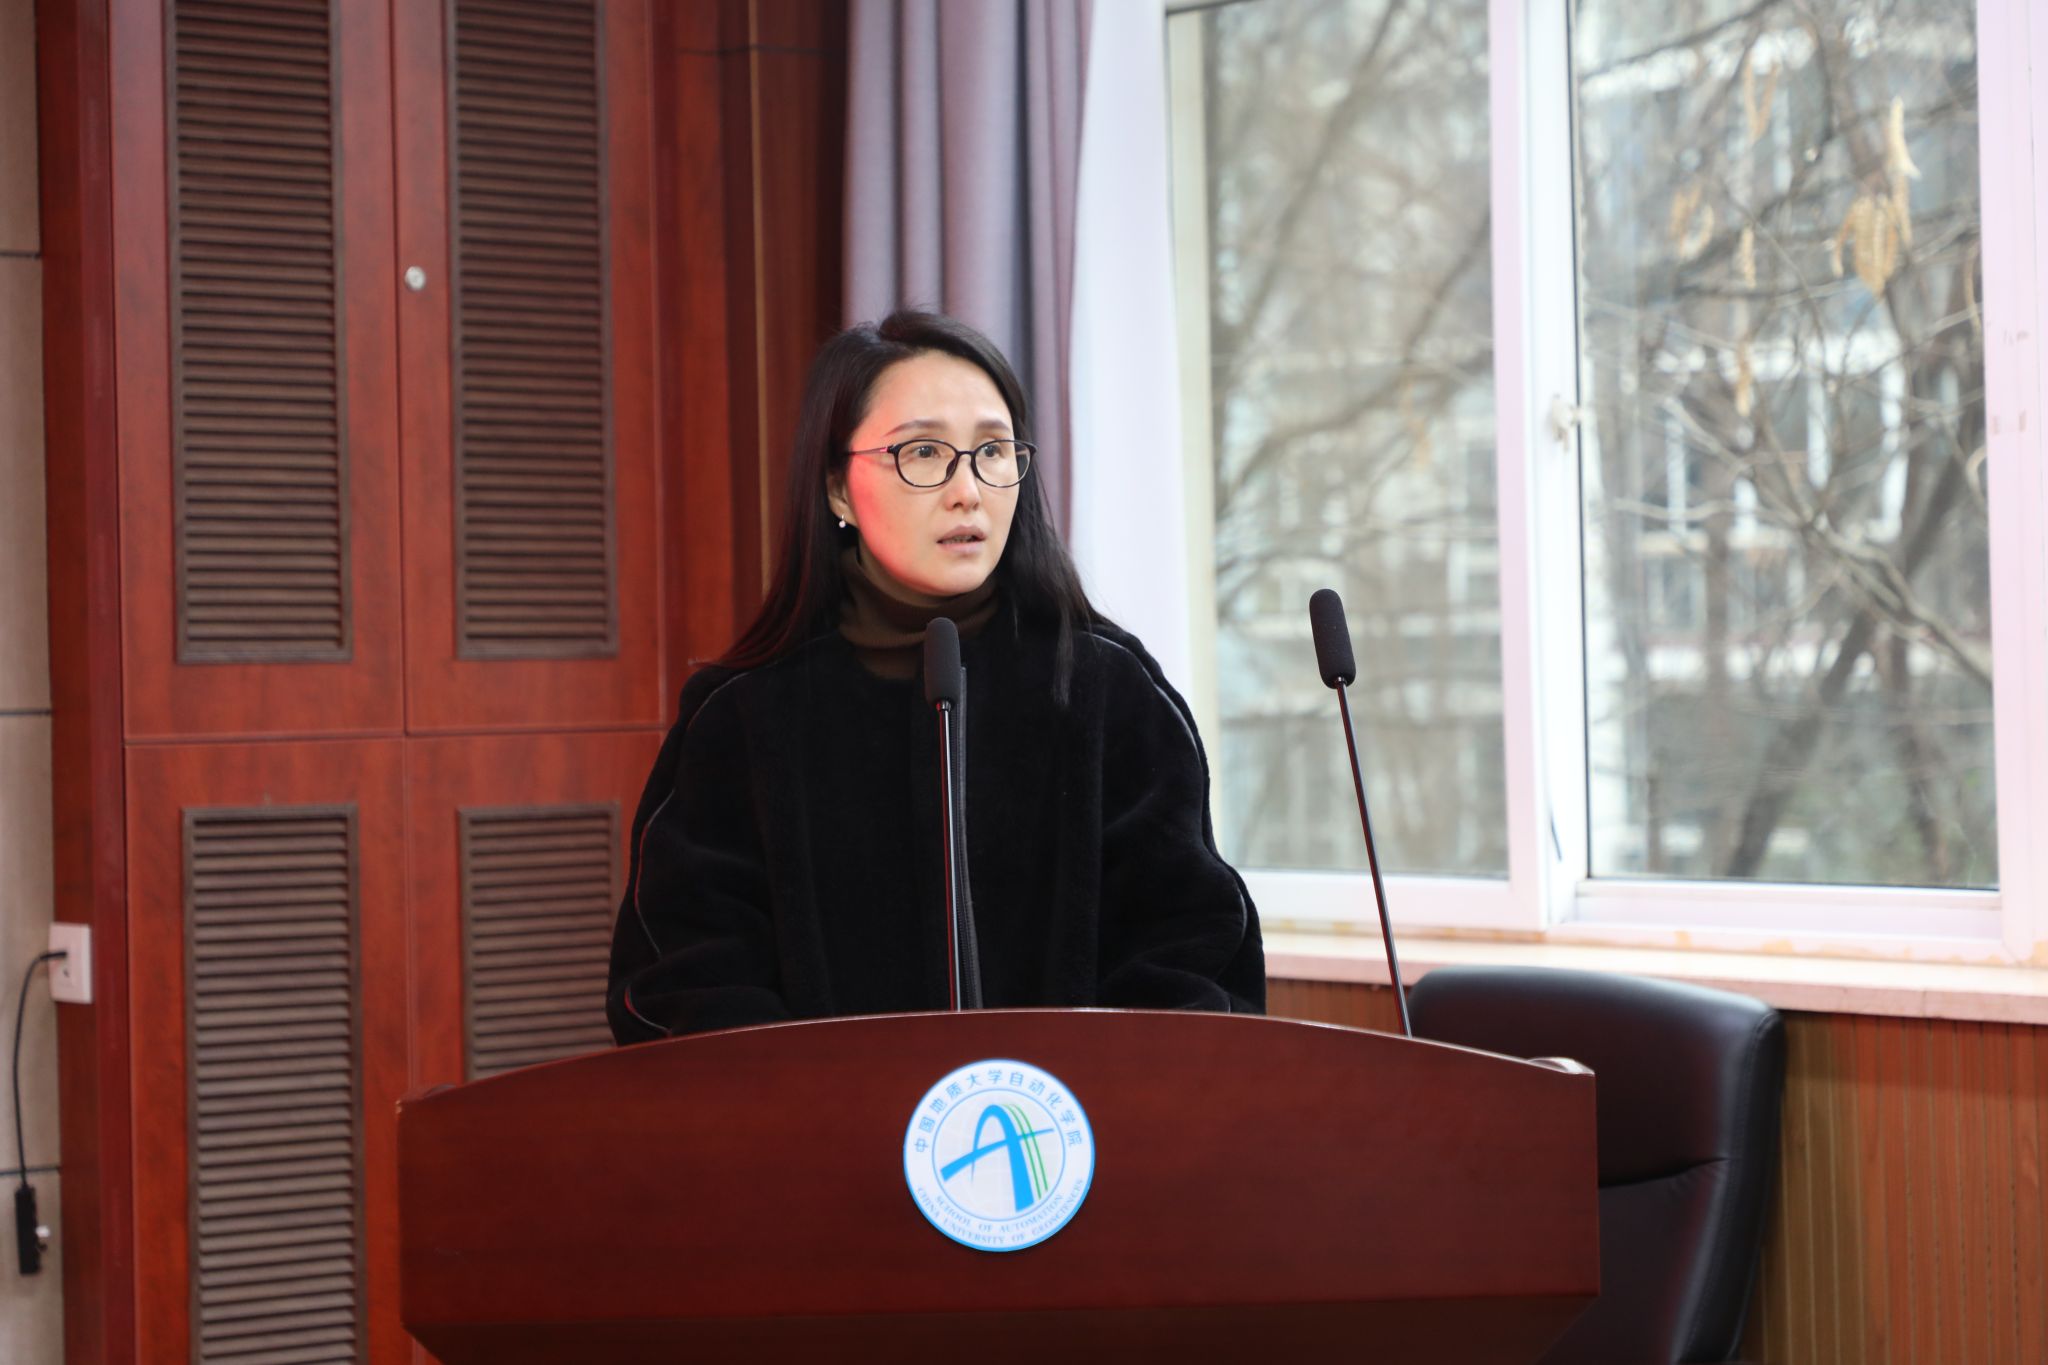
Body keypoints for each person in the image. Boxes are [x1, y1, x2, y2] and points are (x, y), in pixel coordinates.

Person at [606, 310, 1263, 1041]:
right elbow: (685, 981)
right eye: (923, 452)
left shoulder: (1109, 690)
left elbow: (1190, 949)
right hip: (820, 1116)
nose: (968, 490)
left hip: (1076, 1114)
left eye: (993, 451)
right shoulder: (742, 717)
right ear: (837, 489)